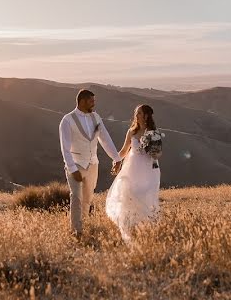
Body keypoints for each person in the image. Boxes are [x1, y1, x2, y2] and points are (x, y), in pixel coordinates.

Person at [58, 89, 122, 237]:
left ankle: (84, 225)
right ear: (82, 101)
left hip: (93, 164)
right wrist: (73, 169)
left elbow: (105, 139)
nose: (94, 104)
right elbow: (65, 148)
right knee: (76, 197)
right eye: (91, 101)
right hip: (76, 165)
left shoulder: (96, 118)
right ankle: (76, 231)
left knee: (87, 198)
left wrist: (116, 158)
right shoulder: (67, 120)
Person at [105, 104, 161, 241]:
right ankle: (130, 227)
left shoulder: (153, 133)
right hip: (132, 168)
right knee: (128, 195)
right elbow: (124, 150)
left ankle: (146, 228)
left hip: (148, 169)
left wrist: (150, 148)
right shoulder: (131, 132)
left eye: (139, 113)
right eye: (136, 113)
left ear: (146, 116)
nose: (136, 116)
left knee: (145, 196)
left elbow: (158, 154)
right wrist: (116, 161)